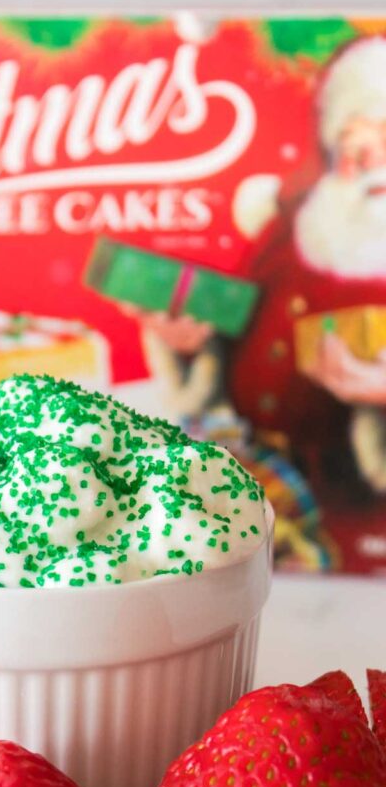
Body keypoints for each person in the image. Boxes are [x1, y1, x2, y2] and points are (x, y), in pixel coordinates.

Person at [134, 37, 386, 534]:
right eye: (352, 140)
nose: (364, 158)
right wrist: (191, 341)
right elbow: (239, 324)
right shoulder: (296, 221)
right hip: (251, 483)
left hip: (361, 522)